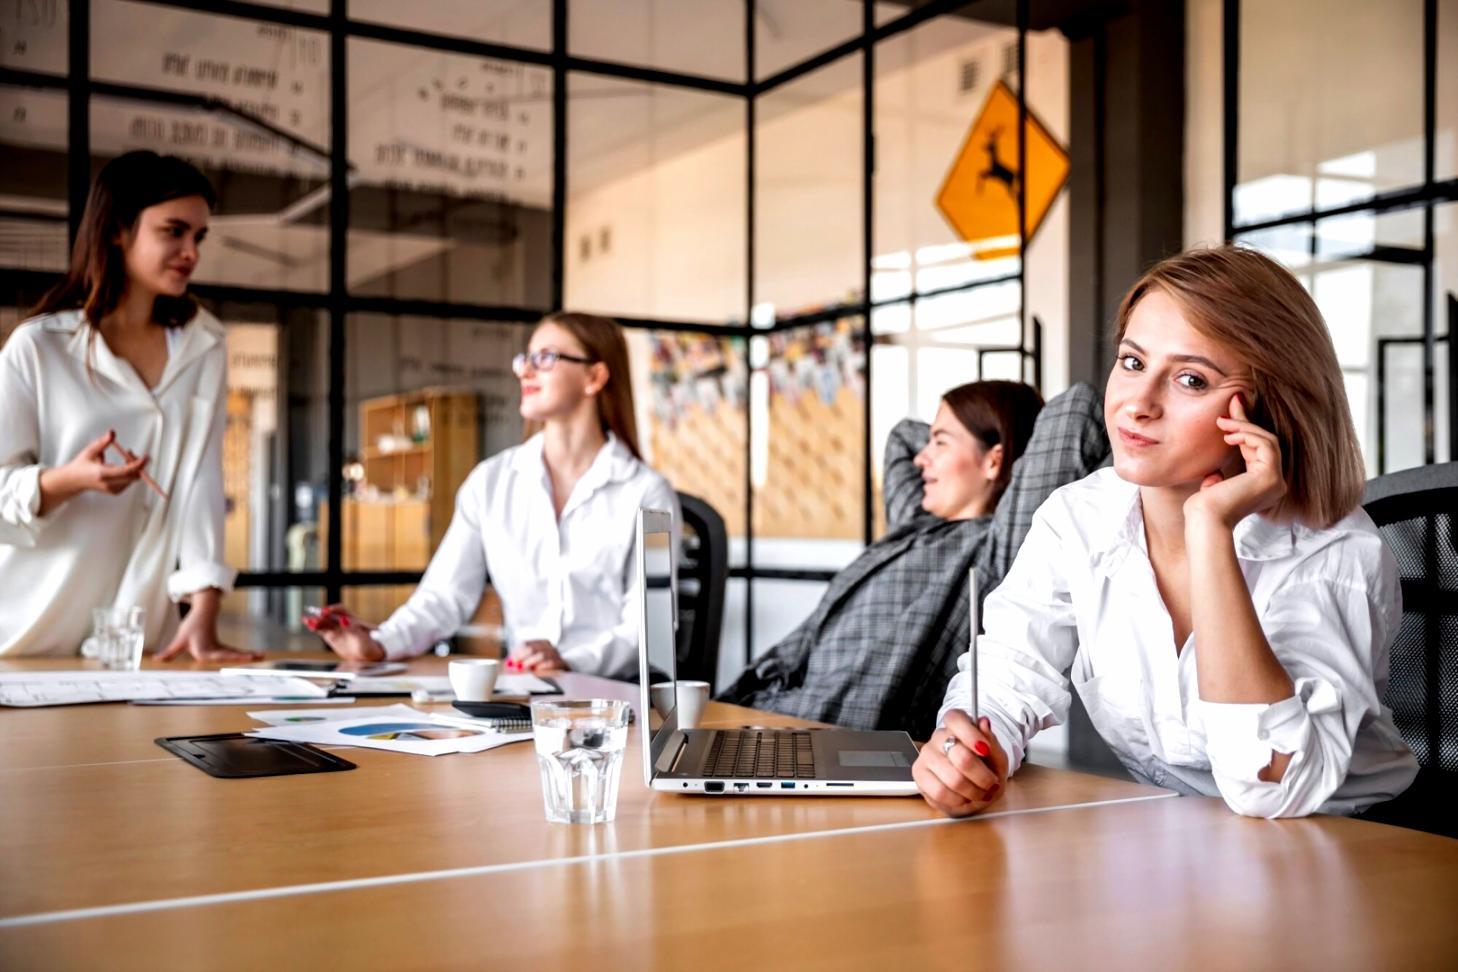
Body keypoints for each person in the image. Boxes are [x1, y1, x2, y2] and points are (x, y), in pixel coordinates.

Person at [919, 245, 1419, 820]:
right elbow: (1010, 673)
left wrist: (1209, 532)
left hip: (1343, 849)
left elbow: (1274, 789)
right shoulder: (1078, 518)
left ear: (1267, 410)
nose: (1137, 404)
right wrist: (971, 748)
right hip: (1176, 840)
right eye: (1132, 363)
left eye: (1189, 379)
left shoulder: (1333, 554)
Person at [718, 379, 1111, 740]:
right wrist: (957, 435)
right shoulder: (915, 523)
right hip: (759, 709)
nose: (922, 458)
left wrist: (993, 431)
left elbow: (1077, 409)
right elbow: (902, 437)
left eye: (939, 443)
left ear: (994, 460)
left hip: (827, 735)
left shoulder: (1003, 548)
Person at [315, 312, 680, 676]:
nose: (525, 371)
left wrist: (570, 662)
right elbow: (444, 596)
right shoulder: (491, 482)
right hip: (524, 697)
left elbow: (647, 629)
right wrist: (380, 644)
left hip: (615, 703)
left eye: (546, 358)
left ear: (594, 376)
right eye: (526, 359)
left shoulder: (646, 492)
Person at [0, 150, 255, 662]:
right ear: (118, 230)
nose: (190, 252)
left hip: (139, 636)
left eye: (198, 237)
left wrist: (202, 612)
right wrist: (71, 479)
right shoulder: (39, 347)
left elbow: (201, 482)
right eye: (173, 232)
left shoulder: (204, 344)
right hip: (29, 630)